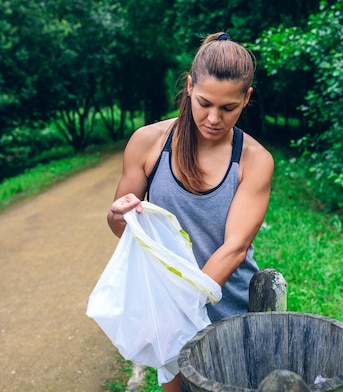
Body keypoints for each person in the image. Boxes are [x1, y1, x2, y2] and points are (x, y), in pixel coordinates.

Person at [106, 31, 274, 392]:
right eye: (204, 103)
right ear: (188, 87)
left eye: (229, 108)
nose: (214, 118)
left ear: (247, 98)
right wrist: (121, 215)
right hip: (166, 311)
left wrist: (183, 306)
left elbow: (235, 248)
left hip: (230, 310)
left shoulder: (254, 160)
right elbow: (122, 228)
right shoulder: (148, 142)